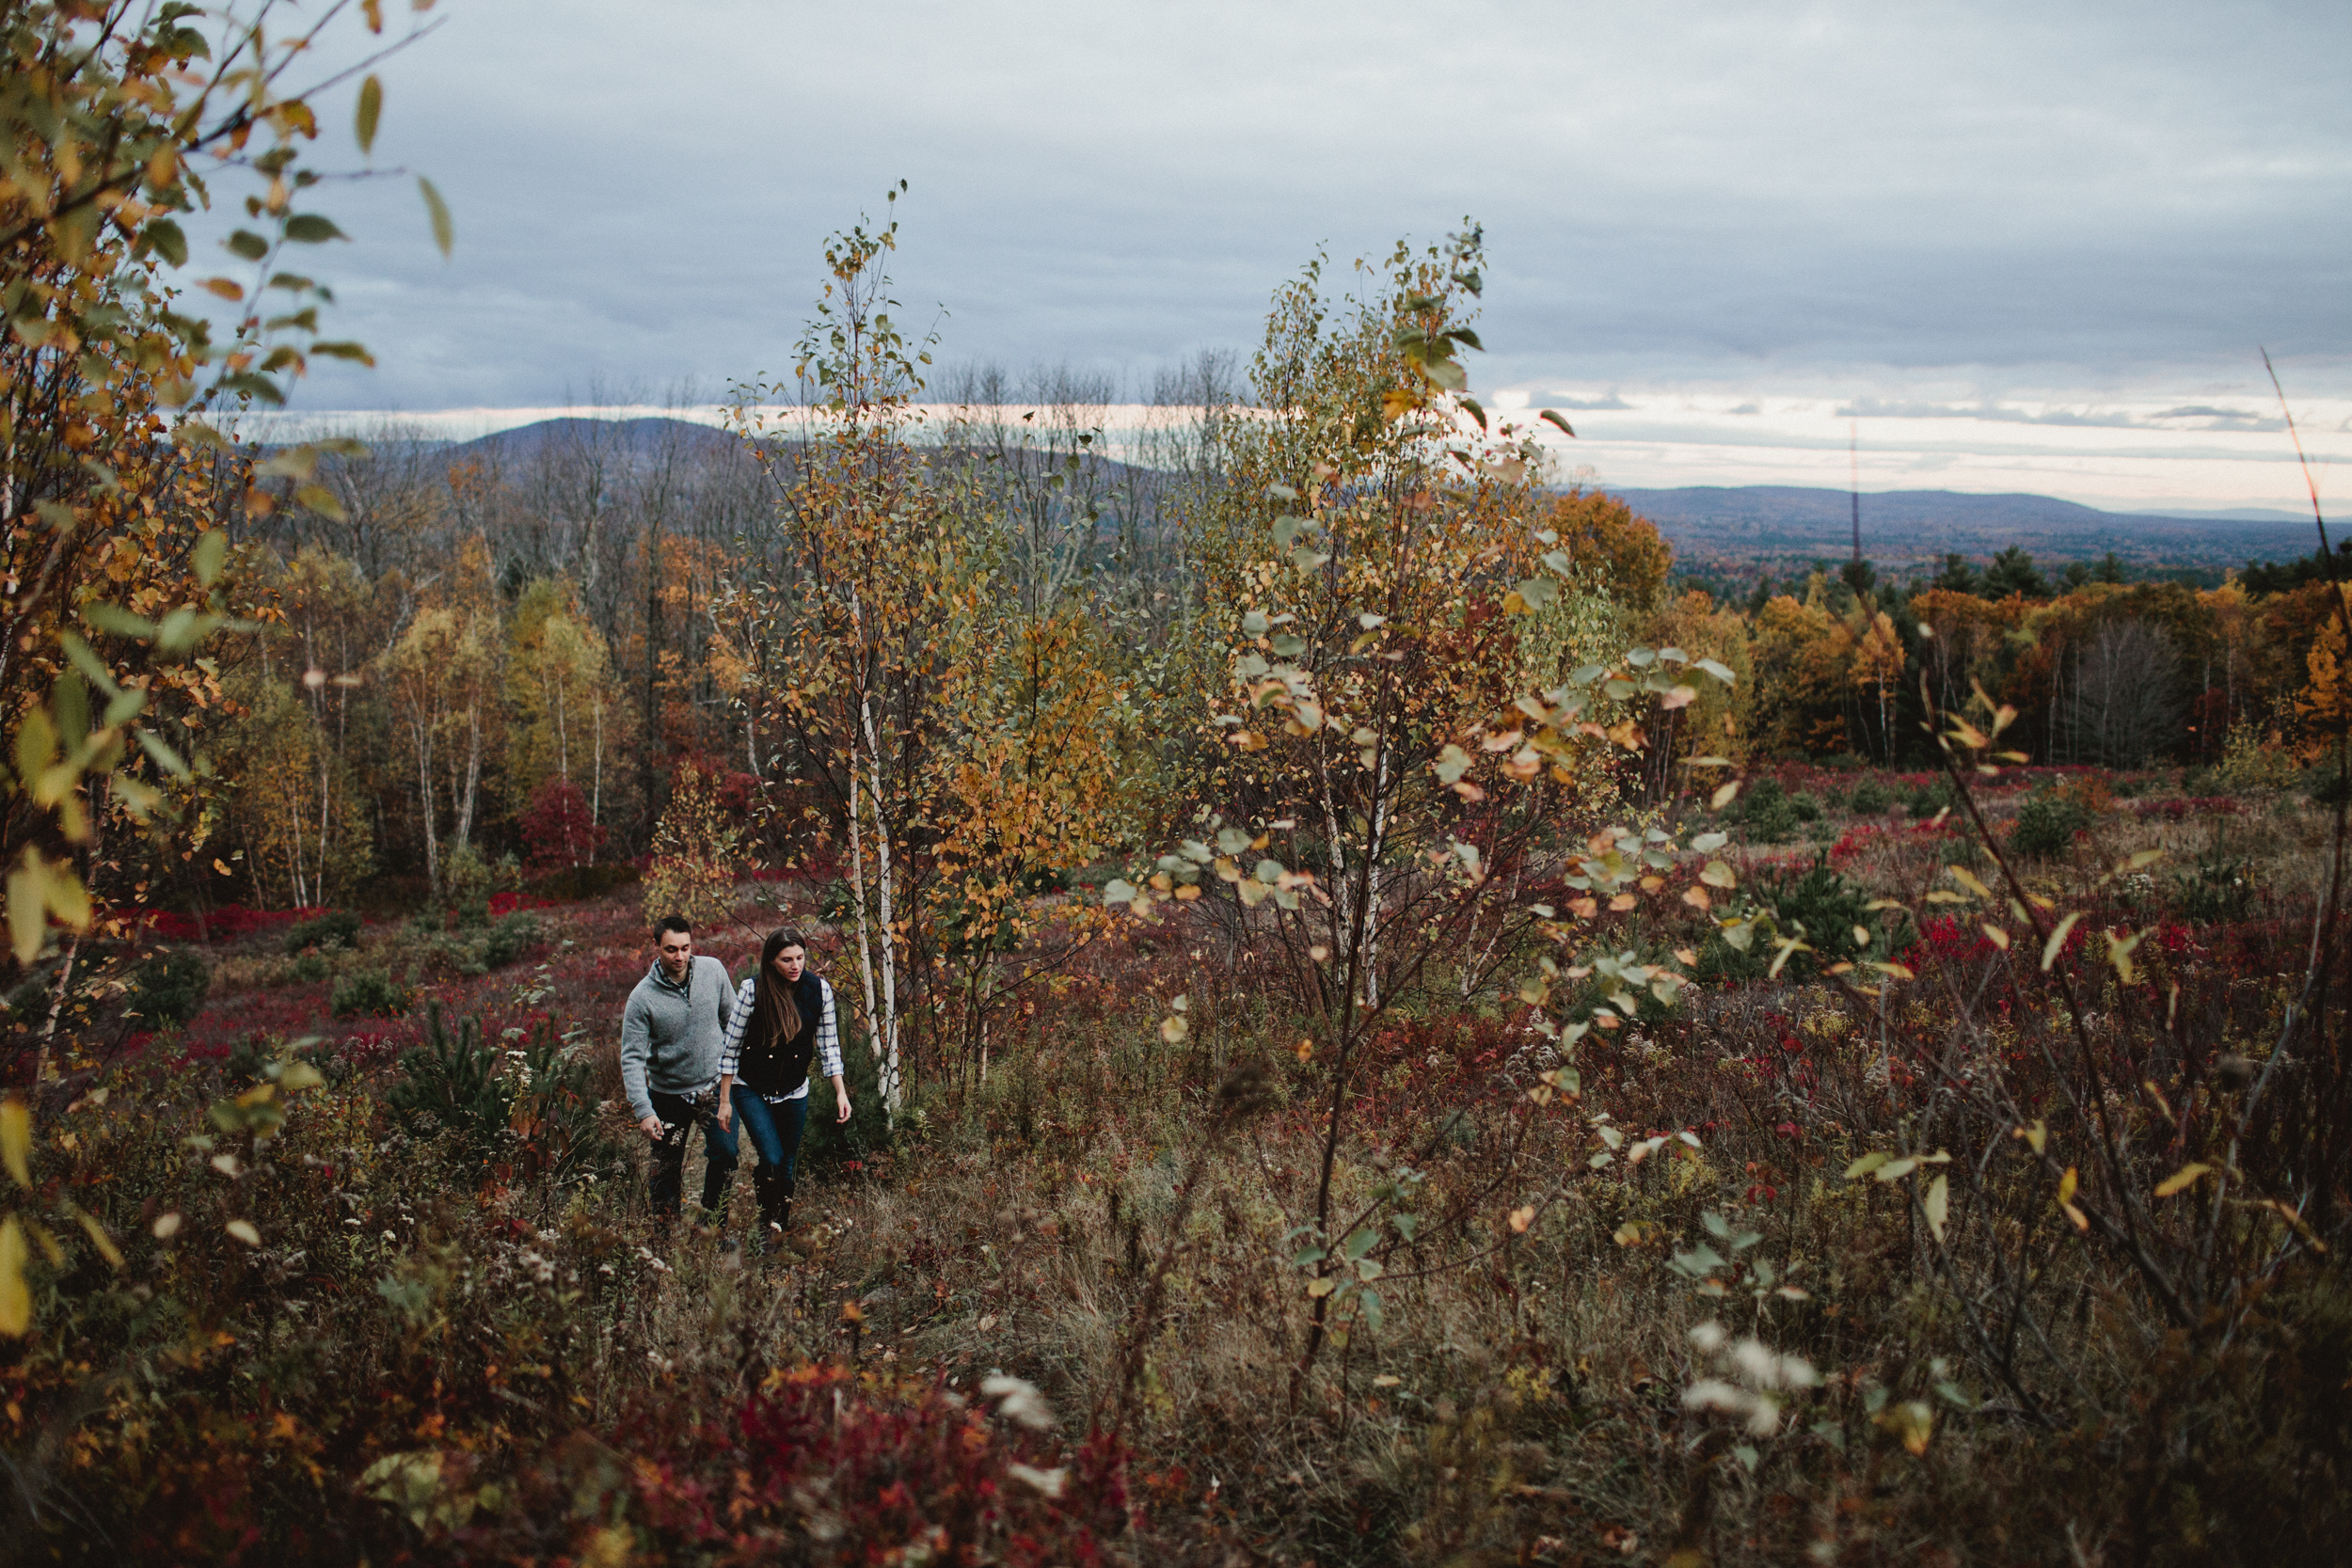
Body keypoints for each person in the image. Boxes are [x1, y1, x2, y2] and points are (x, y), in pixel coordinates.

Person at [715, 926, 848, 1253]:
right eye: (786, 959)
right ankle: (765, 1226)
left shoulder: (819, 990)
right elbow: (730, 1049)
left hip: (794, 1089)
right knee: (771, 1156)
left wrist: (840, 1092)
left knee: (787, 1161)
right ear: (772, 961)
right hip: (752, 1087)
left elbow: (828, 1046)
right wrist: (724, 1100)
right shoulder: (752, 991)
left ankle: (776, 1232)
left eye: (800, 957)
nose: (795, 965)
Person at [620, 915, 739, 1229]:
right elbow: (631, 1058)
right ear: (657, 946)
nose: (680, 956)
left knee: (726, 1156)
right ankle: (664, 1234)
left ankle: (712, 1226)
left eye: (685, 948)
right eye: (671, 949)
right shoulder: (642, 998)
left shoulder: (713, 971)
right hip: (668, 1095)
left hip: (714, 1088)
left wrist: (734, 1076)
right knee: (666, 1167)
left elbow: (734, 1022)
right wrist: (644, 1111)